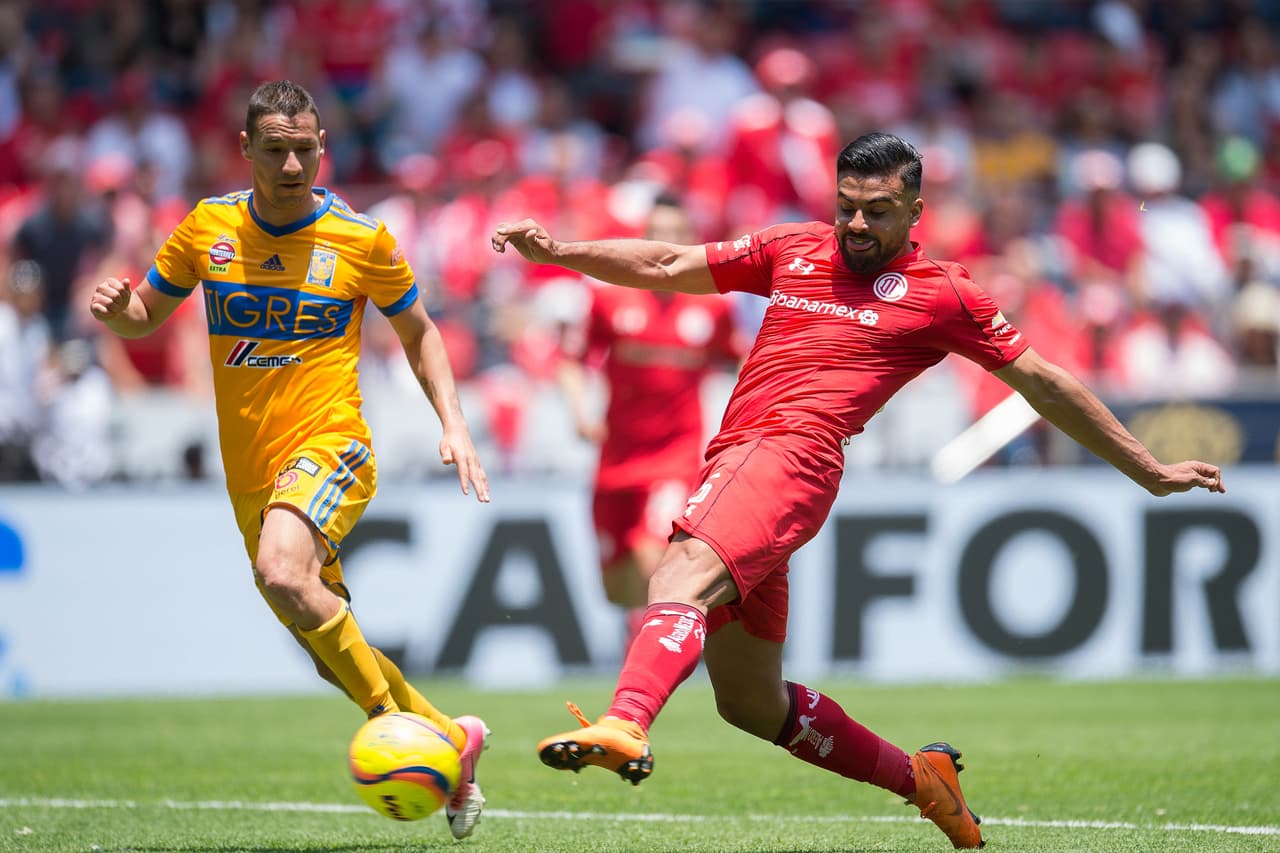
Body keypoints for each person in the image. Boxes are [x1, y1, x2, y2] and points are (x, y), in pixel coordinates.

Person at [491, 132, 1226, 850]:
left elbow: (1045, 383)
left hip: (790, 455)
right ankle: (924, 780)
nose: (857, 224)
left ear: (915, 212)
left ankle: (626, 719)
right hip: (748, 461)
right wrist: (559, 252)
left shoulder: (944, 294)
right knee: (750, 703)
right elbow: (666, 261)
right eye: (847, 206)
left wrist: (1146, 467)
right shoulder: (792, 248)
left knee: (680, 571)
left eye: (877, 210)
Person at [90, 80, 493, 840]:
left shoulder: (360, 239)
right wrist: (121, 313)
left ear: (322, 147)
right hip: (251, 471)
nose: (292, 165)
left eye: (304, 149)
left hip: (332, 443)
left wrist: (455, 423)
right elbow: (146, 313)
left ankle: (396, 726)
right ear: (245, 148)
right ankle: (451, 737)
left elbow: (420, 331)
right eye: (275, 150)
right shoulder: (207, 228)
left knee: (281, 570)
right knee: (322, 648)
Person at [557, 194, 742, 645]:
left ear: (690, 241)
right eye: (658, 234)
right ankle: (644, 650)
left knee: (653, 558)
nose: (666, 244)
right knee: (618, 590)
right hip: (616, 460)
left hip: (674, 459)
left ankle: (657, 662)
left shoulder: (713, 307)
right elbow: (571, 360)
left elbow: (743, 361)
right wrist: (580, 413)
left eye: (676, 235)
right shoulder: (609, 299)